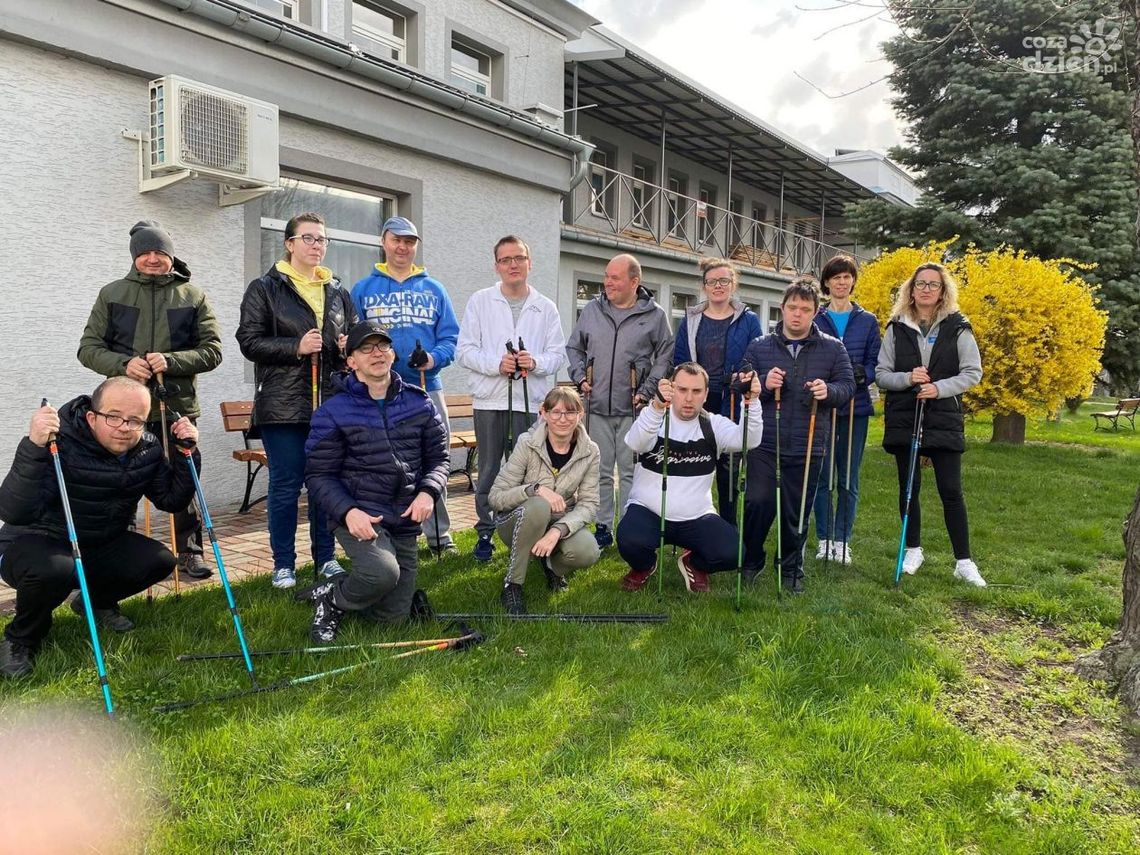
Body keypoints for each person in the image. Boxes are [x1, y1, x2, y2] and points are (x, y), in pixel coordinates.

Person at [0, 378, 198, 678]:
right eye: (114, 417)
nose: (124, 427)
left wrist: (187, 453)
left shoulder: (146, 448)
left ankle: (95, 603)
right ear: (92, 417)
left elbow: (172, 500)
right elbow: (14, 511)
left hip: (98, 541)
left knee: (159, 560)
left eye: (135, 420)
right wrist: (33, 446)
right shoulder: (56, 442)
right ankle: (21, 639)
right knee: (56, 570)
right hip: (34, 541)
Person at [77, 220, 221, 580]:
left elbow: (213, 351)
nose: (153, 258)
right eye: (145, 252)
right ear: (134, 256)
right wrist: (124, 365)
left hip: (176, 407)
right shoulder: (112, 293)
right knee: (119, 482)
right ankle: (115, 550)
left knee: (184, 478)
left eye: (160, 252)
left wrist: (172, 361)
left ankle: (190, 552)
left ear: (171, 256)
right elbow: (88, 349)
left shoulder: (193, 295)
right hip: (122, 411)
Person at [302, 321, 449, 642]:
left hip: (405, 517)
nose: (377, 353)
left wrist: (428, 492)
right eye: (366, 348)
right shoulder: (333, 411)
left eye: (383, 346)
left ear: (393, 354)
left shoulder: (419, 402)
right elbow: (318, 475)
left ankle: (337, 588)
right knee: (383, 573)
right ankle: (333, 601)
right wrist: (348, 512)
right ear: (351, 361)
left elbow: (439, 459)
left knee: (391, 621)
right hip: (361, 513)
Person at [235, 212, 356, 589]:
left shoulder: (338, 291)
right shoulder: (265, 288)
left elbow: (353, 337)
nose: (317, 245)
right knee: (286, 485)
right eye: (308, 238)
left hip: (329, 404)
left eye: (322, 239)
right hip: (283, 405)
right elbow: (248, 341)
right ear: (289, 244)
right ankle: (283, 564)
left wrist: (347, 347)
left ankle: (326, 558)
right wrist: (295, 346)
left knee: (325, 483)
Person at [351, 216, 460, 553]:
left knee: (435, 456)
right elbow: (353, 338)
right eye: (396, 240)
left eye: (409, 241)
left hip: (426, 386)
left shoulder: (435, 289)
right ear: (383, 242)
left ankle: (439, 536)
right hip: (377, 389)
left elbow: (450, 338)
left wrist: (432, 358)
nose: (402, 247)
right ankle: (387, 533)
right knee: (380, 460)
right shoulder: (363, 289)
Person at [457, 236, 567, 563]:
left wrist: (535, 362)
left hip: (529, 403)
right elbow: (464, 351)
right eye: (506, 260)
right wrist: (497, 364)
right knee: (489, 469)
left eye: (519, 258)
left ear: (529, 263)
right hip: (490, 401)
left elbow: (557, 355)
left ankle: (523, 530)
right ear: (497, 266)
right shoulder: (481, 301)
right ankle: (485, 533)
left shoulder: (545, 306)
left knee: (529, 472)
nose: (513, 265)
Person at [741, 279, 854, 594]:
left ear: (815, 312)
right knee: (758, 502)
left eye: (805, 309)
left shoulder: (833, 348)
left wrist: (827, 390)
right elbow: (740, 382)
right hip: (764, 442)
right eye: (792, 307)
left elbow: (847, 386)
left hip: (808, 444)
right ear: (782, 308)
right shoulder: (760, 345)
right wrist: (763, 382)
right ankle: (751, 560)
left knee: (797, 511)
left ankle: (791, 568)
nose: (797, 314)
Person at [876, 262, 985, 586]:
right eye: (920, 284)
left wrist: (939, 388)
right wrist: (908, 378)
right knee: (909, 487)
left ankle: (963, 561)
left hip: (944, 417)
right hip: (905, 416)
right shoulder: (897, 327)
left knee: (951, 490)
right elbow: (881, 374)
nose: (926, 289)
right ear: (911, 290)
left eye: (933, 284)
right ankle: (913, 550)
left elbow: (972, 373)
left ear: (942, 291)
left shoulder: (958, 327)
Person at [617, 362, 762, 593]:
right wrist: (656, 406)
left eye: (696, 391)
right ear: (672, 389)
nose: (688, 398)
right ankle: (644, 566)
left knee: (734, 553)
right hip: (649, 511)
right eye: (682, 390)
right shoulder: (654, 416)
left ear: (706, 394)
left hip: (697, 516)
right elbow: (635, 443)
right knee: (628, 539)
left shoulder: (713, 425)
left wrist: (752, 402)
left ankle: (693, 564)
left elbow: (749, 440)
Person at [566, 253, 673, 549]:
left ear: (634, 282)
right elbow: (574, 347)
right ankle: (603, 527)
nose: (607, 282)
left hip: (634, 408)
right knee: (600, 471)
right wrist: (580, 377)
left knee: (630, 472)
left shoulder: (655, 315)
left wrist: (648, 390)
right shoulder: (592, 309)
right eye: (606, 276)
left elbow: (665, 355)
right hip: (596, 406)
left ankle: (628, 527)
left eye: (615, 277)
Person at [488, 387, 601, 614]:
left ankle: (552, 567)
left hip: (557, 521)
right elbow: (496, 497)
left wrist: (558, 530)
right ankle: (513, 584)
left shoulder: (590, 451)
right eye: (556, 412)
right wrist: (535, 490)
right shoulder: (527, 443)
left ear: (580, 414)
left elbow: (589, 504)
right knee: (539, 505)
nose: (563, 419)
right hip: (517, 521)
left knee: (589, 550)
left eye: (570, 412)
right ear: (544, 413)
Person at [672, 257, 762, 524]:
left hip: (731, 398)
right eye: (712, 281)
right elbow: (680, 360)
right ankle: (689, 522)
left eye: (724, 280)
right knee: (692, 462)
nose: (718, 286)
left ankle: (727, 527)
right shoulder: (691, 319)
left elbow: (755, 357)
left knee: (728, 470)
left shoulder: (748, 320)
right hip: (698, 398)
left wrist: (742, 376)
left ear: (733, 284)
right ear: (704, 286)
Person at [811, 254, 881, 563]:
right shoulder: (816, 318)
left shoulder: (867, 320)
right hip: (823, 406)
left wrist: (865, 373)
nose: (841, 282)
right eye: (836, 277)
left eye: (846, 277)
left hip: (856, 406)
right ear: (826, 283)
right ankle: (824, 538)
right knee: (822, 476)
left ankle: (842, 540)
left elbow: (876, 360)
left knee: (848, 478)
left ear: (852, 282)